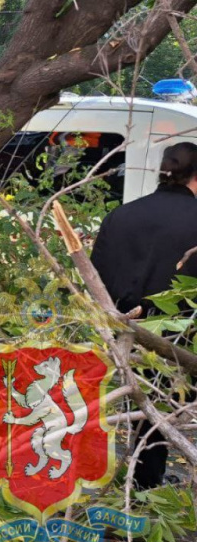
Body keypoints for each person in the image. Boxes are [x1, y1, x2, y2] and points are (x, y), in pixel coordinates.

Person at [91, 142, 197, 488]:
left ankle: (138, 481)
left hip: (122, 331)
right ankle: (147, 483)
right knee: (160, 410)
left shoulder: (121, 215)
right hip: (179, 338)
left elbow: (97, 277)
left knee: (139, 408)